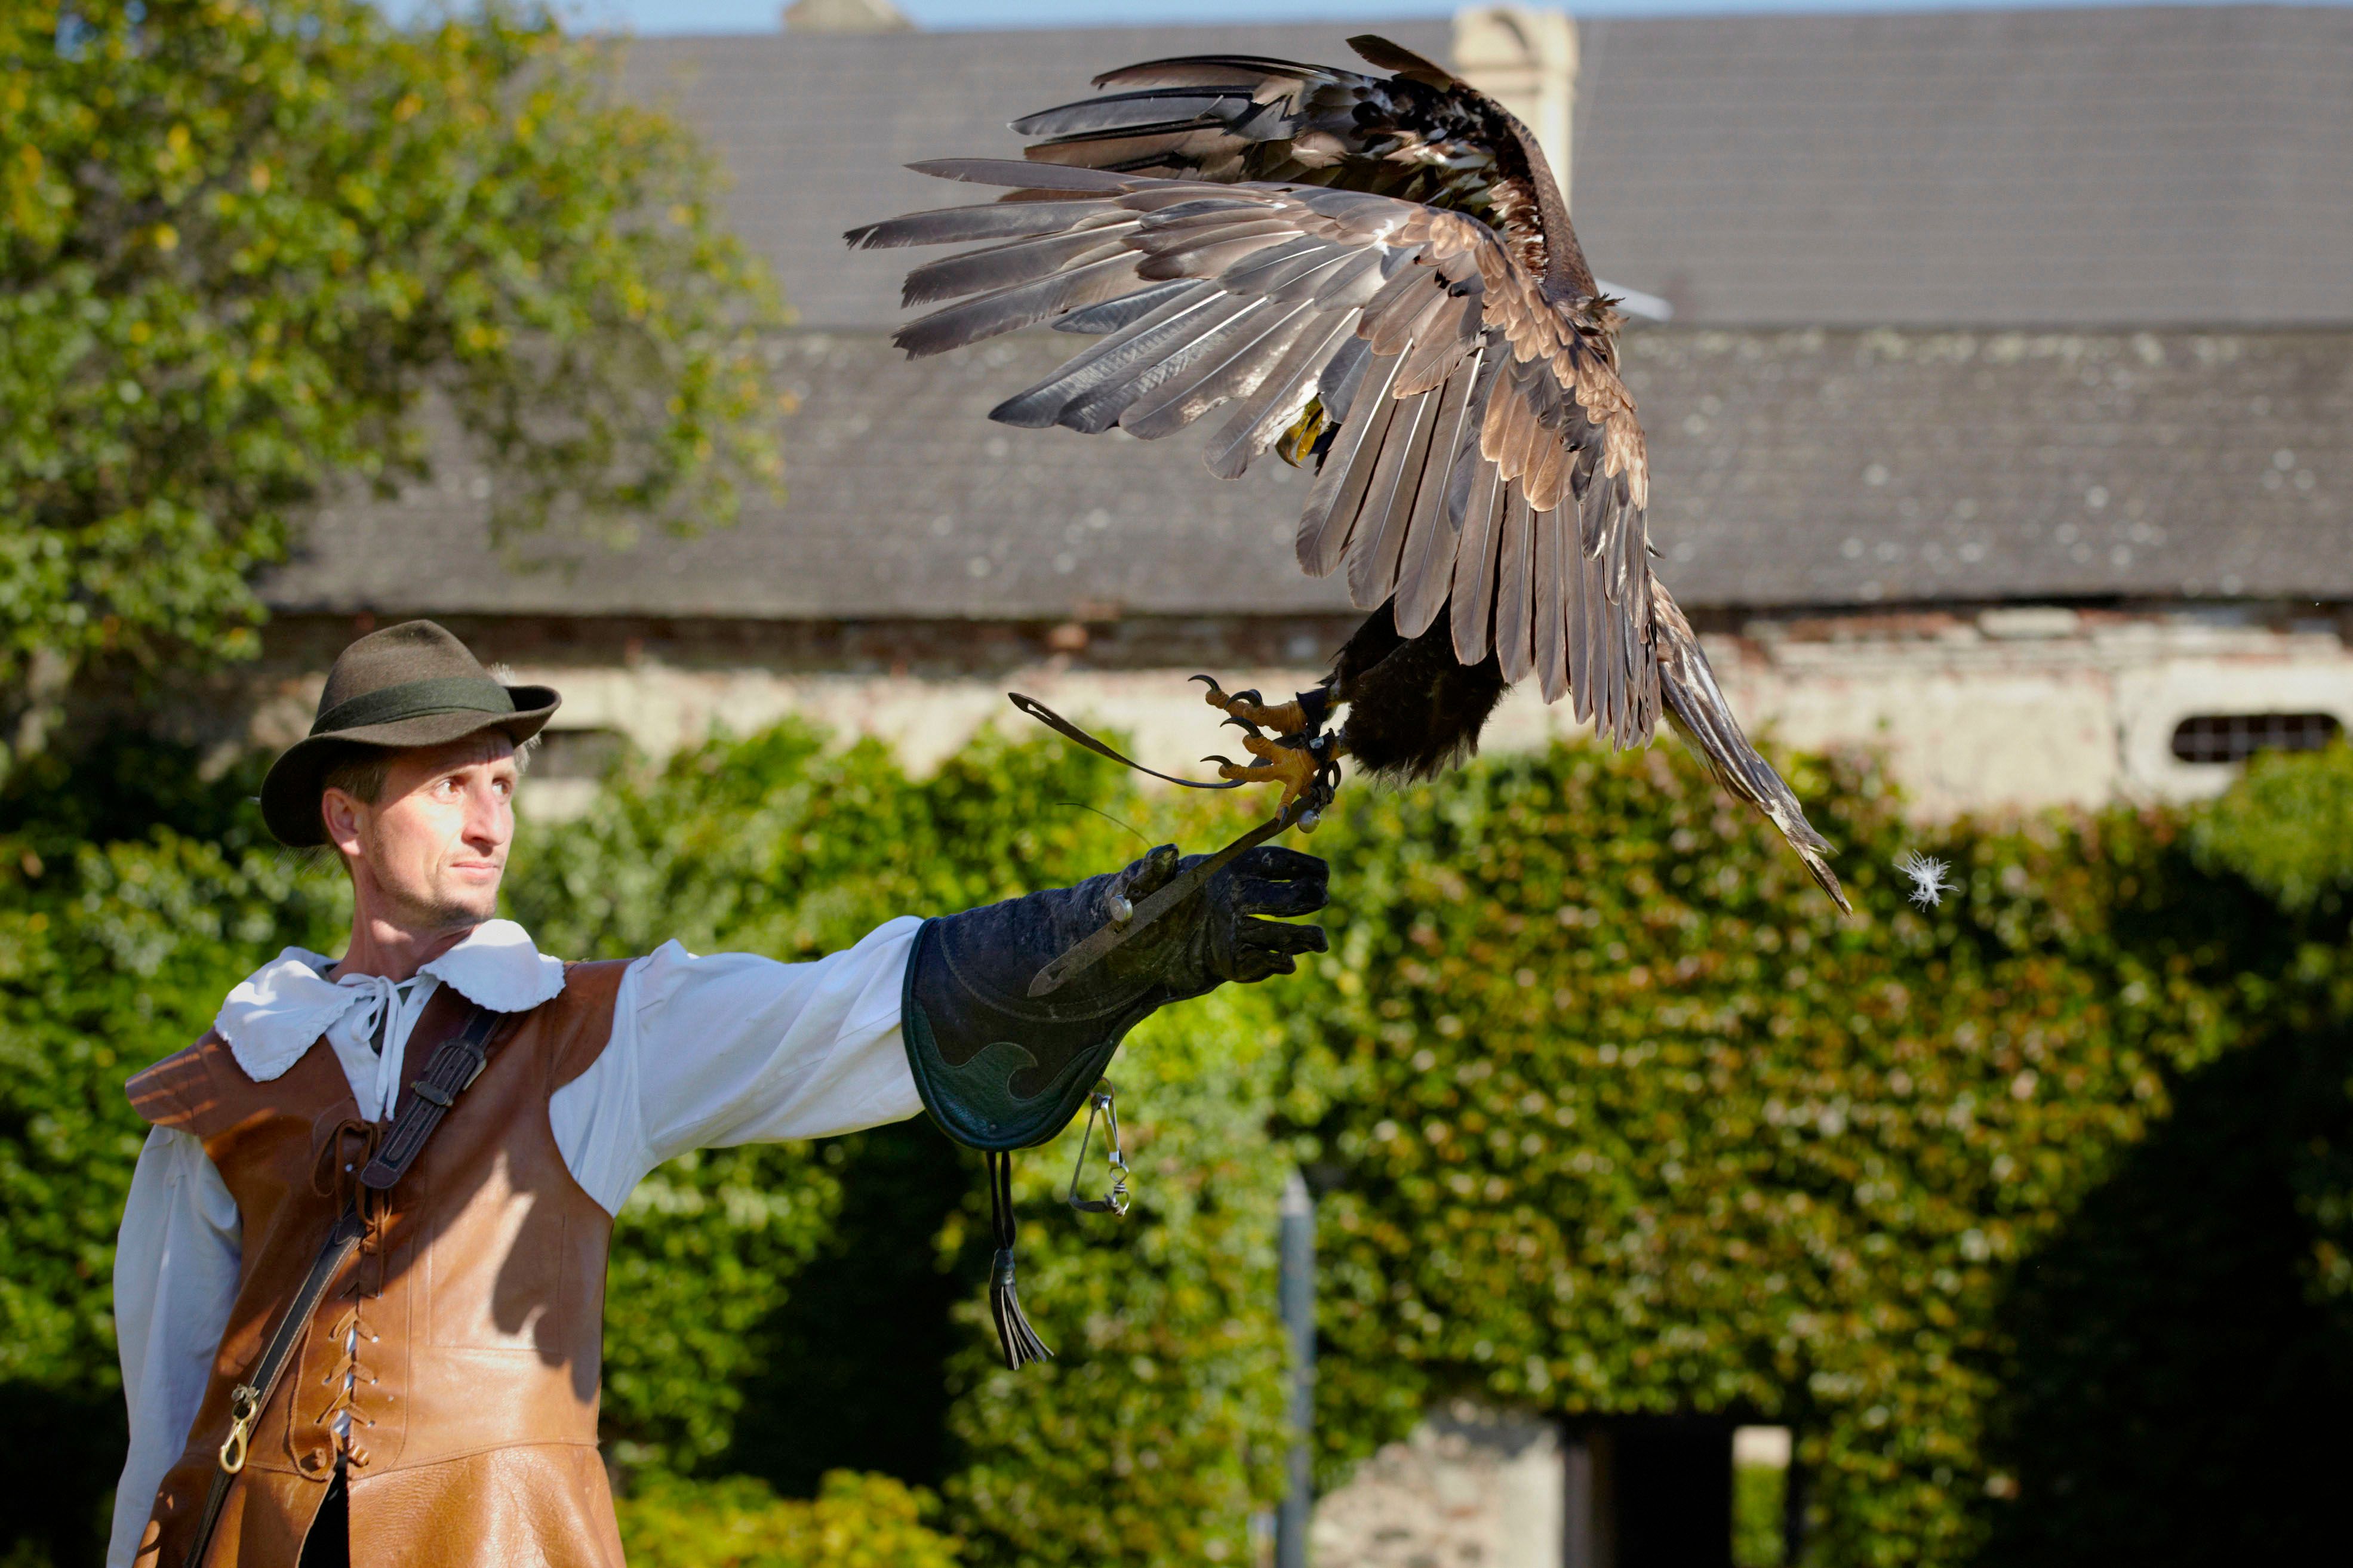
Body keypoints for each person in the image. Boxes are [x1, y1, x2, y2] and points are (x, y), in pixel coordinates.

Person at [109, 620, 1328, 1568]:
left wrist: (1107, 933)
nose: (490, 823)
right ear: (347, 820)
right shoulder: (235, 1076)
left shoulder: (595, 1032)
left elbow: (842, 1008)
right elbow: (167, 1416)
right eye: (447, 788)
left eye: (503, 787)